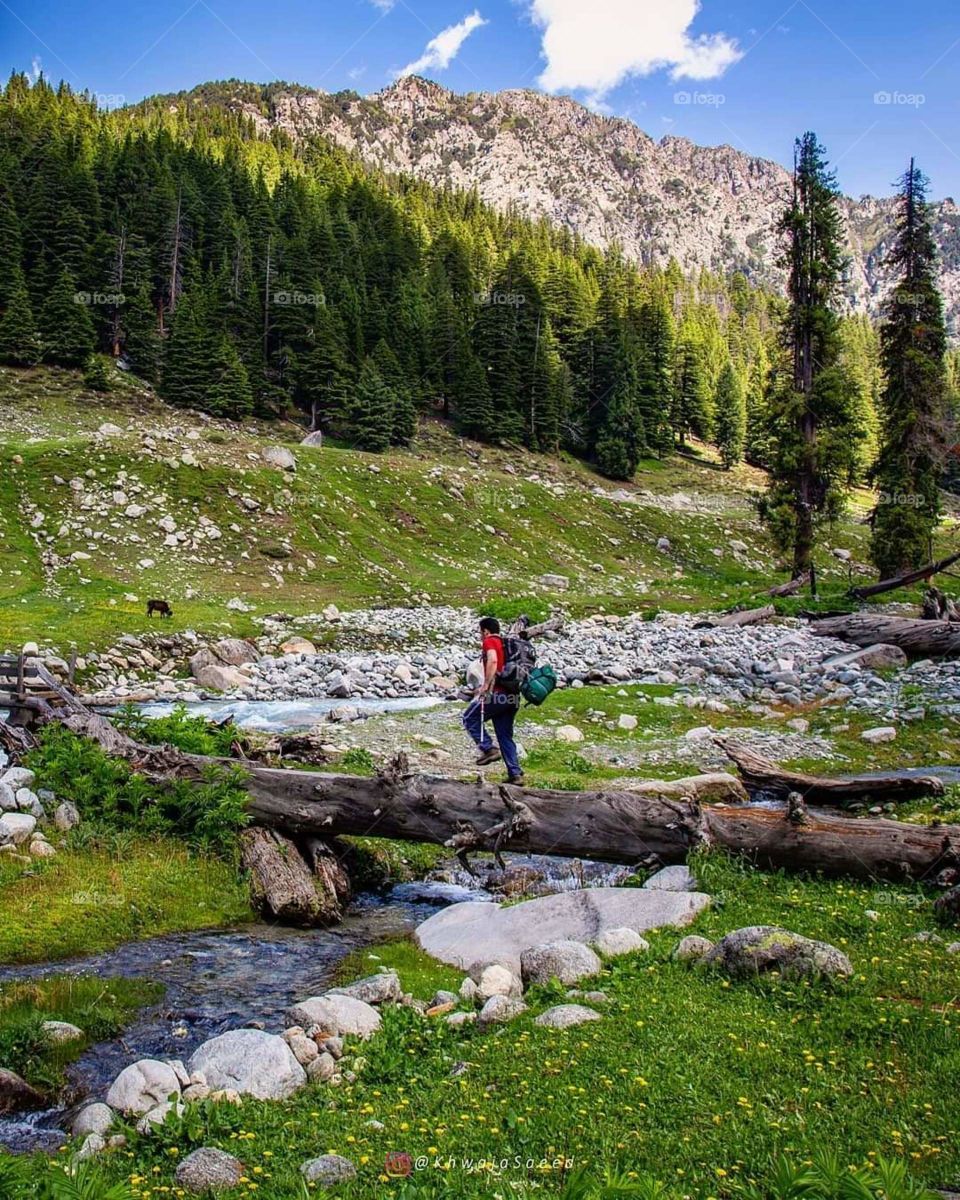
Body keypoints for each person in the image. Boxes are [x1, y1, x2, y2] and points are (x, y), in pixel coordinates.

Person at [461, 616, 524, 785]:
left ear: (486, 631)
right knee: (504, 735)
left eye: (480, 632)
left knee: (469, 718)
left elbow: (493, 660)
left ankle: (489, 749)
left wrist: (485, 686)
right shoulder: (507, 644)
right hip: (513, 696)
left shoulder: (490, 641)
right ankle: (515, 774)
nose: (480, 635)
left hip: (498, 695)